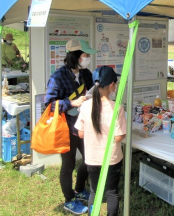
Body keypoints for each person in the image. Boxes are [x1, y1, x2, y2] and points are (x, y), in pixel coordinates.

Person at [45, 38, 97, 215]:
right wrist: (71, 103)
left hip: (84, 125)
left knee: (89, 157)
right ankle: (69, 199)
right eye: (85, 55)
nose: (88, 57)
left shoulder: (86, 74)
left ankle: (80, 188)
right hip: (66, 127)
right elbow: (50, 104)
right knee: (68, 165)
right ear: (75, 56)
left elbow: (92, 92)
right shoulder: (58, 77)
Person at [75, 66, 126, 216]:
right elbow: (118, 137)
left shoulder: (85, 105)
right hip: (111, 158)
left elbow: (81, 133)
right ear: (111, 85)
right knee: (111, 193)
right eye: (115, 83)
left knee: (94, 192)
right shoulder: (117, 107)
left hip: (92, 158)